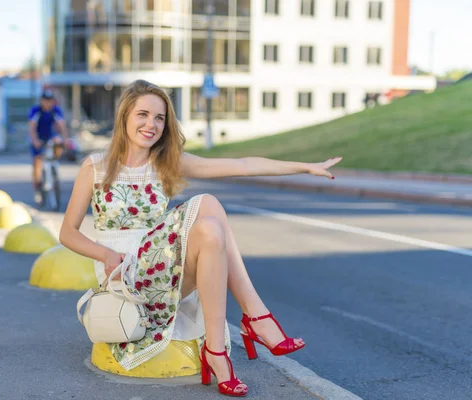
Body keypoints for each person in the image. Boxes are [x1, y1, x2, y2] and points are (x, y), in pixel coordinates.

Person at [60, 80, 342, 397]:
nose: (151, 124)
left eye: (159, 118)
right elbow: (67, 233)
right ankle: (253, 323)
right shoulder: (95, 167)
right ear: (125, 115)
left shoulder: (165, 163)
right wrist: (104, 254)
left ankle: (221, 345)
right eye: (143, 114)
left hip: (163, 272)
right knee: (207, 207)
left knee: (210, 223)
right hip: (123, 277)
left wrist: (305, 167)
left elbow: (242, 165)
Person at [28, 90, 68, 203]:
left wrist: (65, 139)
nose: (48, 103)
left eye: (50, 101)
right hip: (38, 138)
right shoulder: (36, 111)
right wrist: (35, 140)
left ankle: (53, 174)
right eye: (45, 101)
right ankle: (37, 188)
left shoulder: (56, 110)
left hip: (51, 137)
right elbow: (32, 127)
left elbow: (62, 125)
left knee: (58, 148)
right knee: (37, 162)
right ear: (41, 101)